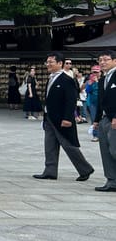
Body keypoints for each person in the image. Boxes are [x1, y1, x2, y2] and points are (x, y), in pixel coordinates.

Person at [32, 52, 95, 182]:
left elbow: (71, 100)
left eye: (51, 62)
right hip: (50, 117)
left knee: (69, 145)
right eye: (47, 62)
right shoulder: (51, 78)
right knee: (49, 145)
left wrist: (67, 118)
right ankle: (50, 171)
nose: (48, 64)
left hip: (62, 118)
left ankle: (85, 169)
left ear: (60, 63)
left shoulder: (67, 80)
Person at [93, 49, 116, 192]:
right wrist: (96, 120)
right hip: (104, 119)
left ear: (115, 61)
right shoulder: (102, 79)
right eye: (100, 60)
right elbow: (100, 101)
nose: (102, 62)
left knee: (114, 150)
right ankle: (112, 181)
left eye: (106, 59)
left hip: (114, 118)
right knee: (106, 151)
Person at [86, 66, 100, 141]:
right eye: (93, 72)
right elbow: (87, 91)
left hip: (101, 103)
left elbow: (101, 90)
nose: (95, 74)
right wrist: (90, 84)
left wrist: (97, 82)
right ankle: (96, 135)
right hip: (92, 103)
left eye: (96, 72)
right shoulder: (90, 81)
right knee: (94, 118)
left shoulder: (102, 80)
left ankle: (102, 135)